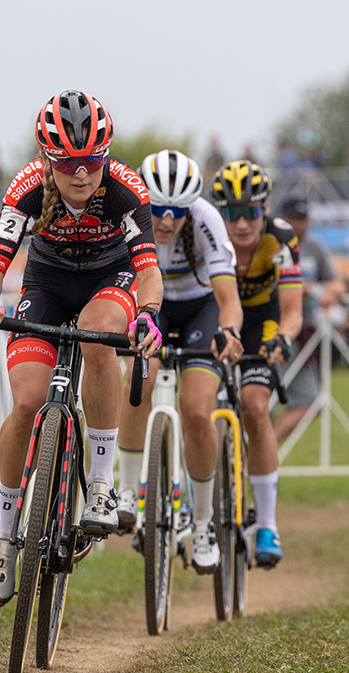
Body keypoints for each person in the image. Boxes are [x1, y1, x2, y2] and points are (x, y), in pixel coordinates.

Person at [0, 90, 162, 606]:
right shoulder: (28, 187)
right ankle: (6, 537)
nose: (81, 173)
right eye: (69, 162)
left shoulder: (125, 187)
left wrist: (148, 314)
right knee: (28, 403)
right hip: (47, 282)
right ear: (49, 160)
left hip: (107, 277)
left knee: (100, 338)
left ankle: (99, 482)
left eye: (92, 160)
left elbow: (147, 270)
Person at [116, 150, 243, 573]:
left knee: (194, 410)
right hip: (152, 305)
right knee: (140, 381)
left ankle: (204, 522)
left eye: (177, 211)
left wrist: (230, 331)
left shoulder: (207, 219)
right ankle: (127, 490)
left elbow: (228, 300)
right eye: (159, 209)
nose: (167, 220)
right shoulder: (127, 209)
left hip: (199, 308)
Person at [210, 160, 302, 568]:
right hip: (215, 318)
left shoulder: (280, 238)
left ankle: (267, 523)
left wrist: (283, 338)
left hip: (262, 322)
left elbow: (293, 310)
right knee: (198, 406)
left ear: (264, 208)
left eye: (250, 211)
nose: (242, 223)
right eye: (231, 213)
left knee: (254, 406)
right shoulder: (209, 237)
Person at [271, 195, 344, 442]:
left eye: (302, 219)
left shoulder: (315, 248)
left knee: (312, 401)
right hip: (271, 330)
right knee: (260, 404)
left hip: (304, 335)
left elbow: (336, 280)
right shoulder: (271, 243)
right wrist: (308, 289)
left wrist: (333, 289)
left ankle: (262, 451)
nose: (298, 224)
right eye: (293, 218)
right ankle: (257, 457)